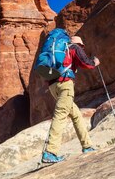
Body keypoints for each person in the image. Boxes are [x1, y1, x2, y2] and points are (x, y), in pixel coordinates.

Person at [42, 35, 100, 163]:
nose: (82, 48)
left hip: (53, 86)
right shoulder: (74, 48)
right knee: (60, 115)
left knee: (76, 115)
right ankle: (50, 152)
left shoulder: (58, 50)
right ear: (79, 44)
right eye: (82, 46)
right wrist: (95, 62)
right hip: (65, 84)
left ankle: (87, 146)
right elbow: (87, 64)